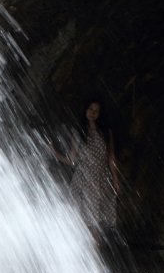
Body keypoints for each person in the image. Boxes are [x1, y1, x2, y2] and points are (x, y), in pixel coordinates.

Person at [52, 100, 121, 240]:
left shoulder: (106, 132)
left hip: (101, 178)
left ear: (100, 114)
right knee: (84, 222)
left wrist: (115, 178)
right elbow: (72, 160)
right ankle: (87, 255)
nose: (93, 113)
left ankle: (94, 257)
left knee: (96, 223)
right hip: (83, 179)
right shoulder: (78, 132)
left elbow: (111, 157)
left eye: (96, 111)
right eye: (90, 109)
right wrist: (54, 152)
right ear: (85, 110)